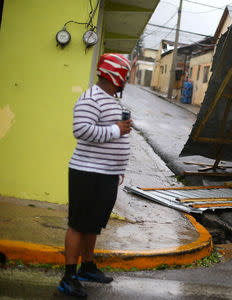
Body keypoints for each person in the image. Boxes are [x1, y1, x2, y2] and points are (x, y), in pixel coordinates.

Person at [58, 53, 132, 297]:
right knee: (78, 225)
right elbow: (81, 130)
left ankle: (87, 267)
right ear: (116, 74)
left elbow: (109, 134)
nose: (126, 80)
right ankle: (68, 278)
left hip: (106, 174)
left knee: (94, 225)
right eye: (125, 75)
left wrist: (117, 167)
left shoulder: (110, 99)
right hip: (87, 173)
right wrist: (116, 129)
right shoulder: (91, 98)